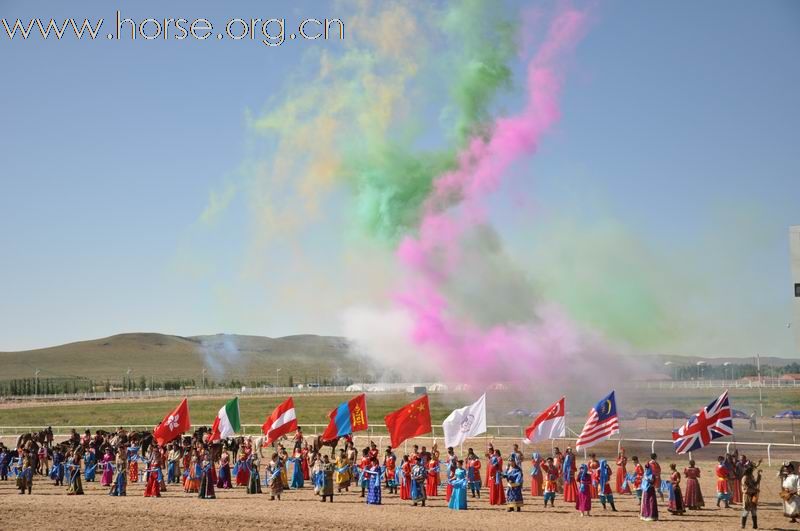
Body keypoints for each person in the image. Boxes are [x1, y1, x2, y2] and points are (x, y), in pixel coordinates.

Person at [741, 464, 761, 529]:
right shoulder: (745, 478)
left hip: (753, 495)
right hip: (747, 496)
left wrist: (758, 475)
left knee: (754, 510)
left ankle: (755, 525)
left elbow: (755, 483)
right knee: (746, 510)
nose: (752, 471)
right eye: (751, 470)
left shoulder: (751, 476)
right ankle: (743, 525)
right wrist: (755, 489)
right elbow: (746, 488)